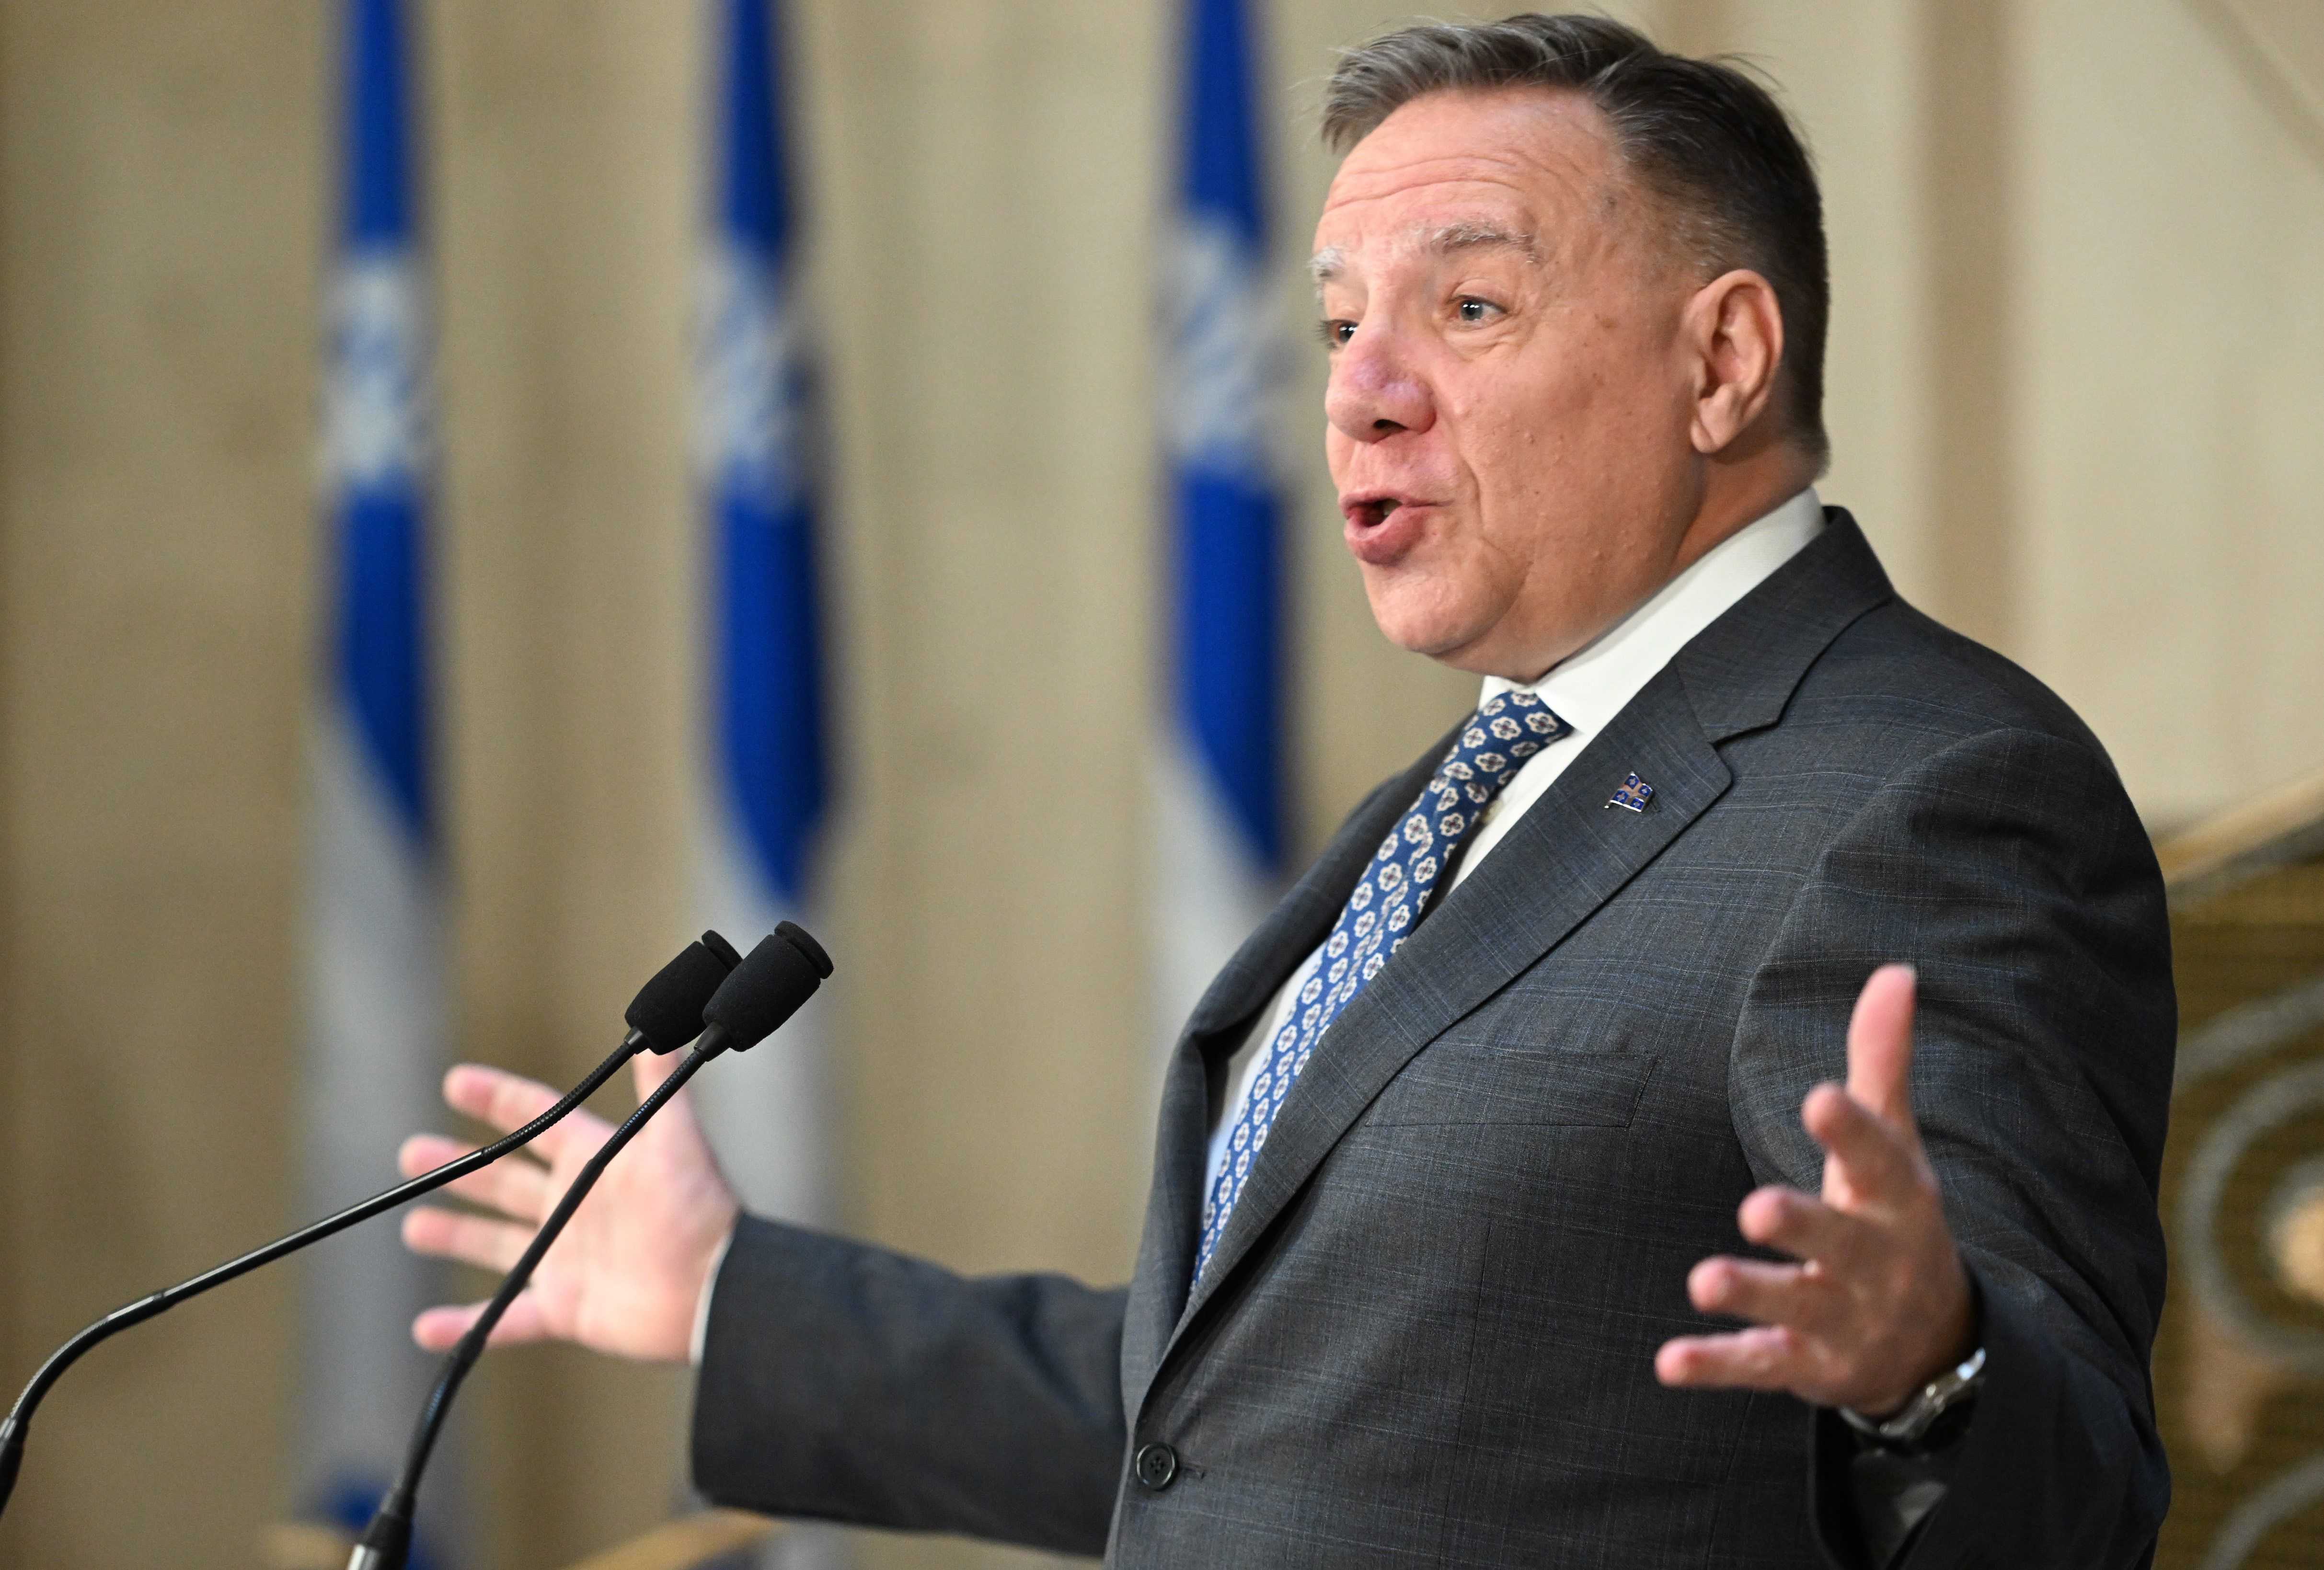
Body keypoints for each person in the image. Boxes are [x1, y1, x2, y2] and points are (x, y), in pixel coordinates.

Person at [395, 16, 2173, 1568]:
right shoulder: (1474, 786)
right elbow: (1250, 1419)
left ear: (1719, 362)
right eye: (1334, 326)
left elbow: (2080, 1495)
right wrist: (729, 1291)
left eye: (1468, 307)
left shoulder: (1931, 797)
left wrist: (1934, 1372)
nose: (1358, 397)